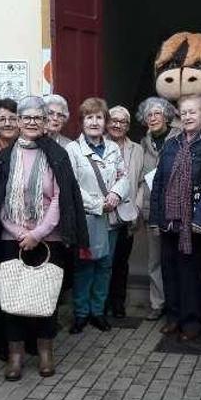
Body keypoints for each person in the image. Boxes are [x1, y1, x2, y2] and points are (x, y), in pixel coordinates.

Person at [0, 95, 88, 380]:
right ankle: (15, 356)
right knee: (12, 298)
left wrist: (37, 234)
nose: (32, 122)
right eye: (26, 117)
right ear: (18, 121)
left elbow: (61, 199)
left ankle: (46, 353)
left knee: (45, 296)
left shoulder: (57, 155)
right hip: (10, 238)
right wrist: (18, 232)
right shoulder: (4, 157)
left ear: (45, 121)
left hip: (48, 238)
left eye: (38, 118)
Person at [149, 94, 201, 341]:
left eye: (194, 112)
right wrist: (157, 218)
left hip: (194, 223)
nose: (188, 116)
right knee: (169, 271)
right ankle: (173, 317)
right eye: (185, 112)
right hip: (170, 220)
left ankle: (191, 322)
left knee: (190, 274)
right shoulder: (172, 144)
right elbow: (159, 182)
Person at [66, 98, 130, 333]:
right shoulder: (72, 150)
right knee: (84, 266)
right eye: (89, 117)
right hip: (88, 218)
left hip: (111, 218)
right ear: (82, 122)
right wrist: (97, 204)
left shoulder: (113, 148)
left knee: (105, 265)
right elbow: (71, 185)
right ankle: (81, 314)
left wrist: (115, 194)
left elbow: (124, 176)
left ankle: (98, 311)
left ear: (105, 122)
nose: (94, 122)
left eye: (99, 117)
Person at [135, 96, 177, 321]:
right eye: (149, 115)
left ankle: (176, 303)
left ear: (166, 116)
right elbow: (141, 179)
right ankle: (157, 303)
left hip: (177, 209)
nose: (153, 118)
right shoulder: (143, 144)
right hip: (153, 209)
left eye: (157, 113)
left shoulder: (179, 137)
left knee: (178, 258)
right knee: (155, 261)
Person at [103, 105, 143, 319]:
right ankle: (102, 303)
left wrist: (136, 208)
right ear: (107, 123)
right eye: (114, 120)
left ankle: (118, 303)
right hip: (105, 213)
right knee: (103, 261)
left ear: (128, 126)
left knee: (121, 261)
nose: (117, 125)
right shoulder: (99, 146)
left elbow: (142, 182)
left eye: (123, 122)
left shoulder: (137, 149)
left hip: (128, 215)